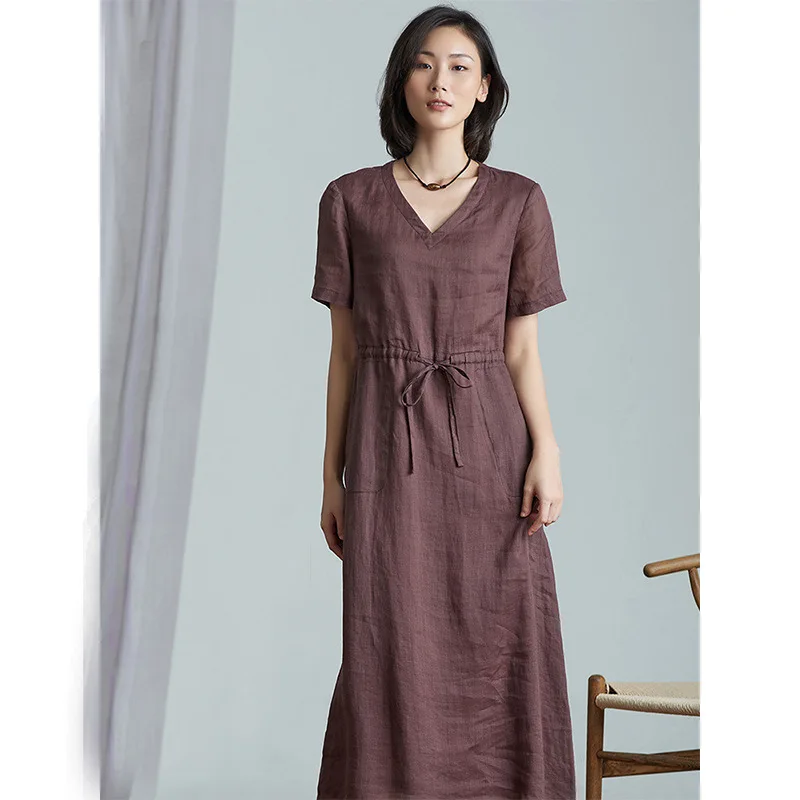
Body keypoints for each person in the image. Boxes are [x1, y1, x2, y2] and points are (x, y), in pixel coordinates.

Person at [310, 6, 575, 798]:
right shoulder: (349, 201)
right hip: (388, 453)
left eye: (461, 66)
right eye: (425, 64)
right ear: (402, 81)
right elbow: (345, 353)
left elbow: (521, 349)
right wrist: (330, 478)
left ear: (485, 88)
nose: (441, 80)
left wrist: (547, 451)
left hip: (491, 454)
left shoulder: (520, 202)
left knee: (500, 637)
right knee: (386, 640)